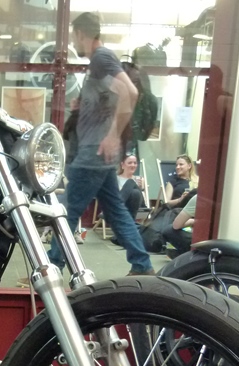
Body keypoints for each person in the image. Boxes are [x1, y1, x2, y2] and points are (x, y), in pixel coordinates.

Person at [46, 12, 155, 277]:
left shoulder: (101, 57)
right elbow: (111, 98)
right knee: (115, 210)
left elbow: (130, 92)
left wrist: (113, 134)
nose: (74, 43)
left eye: (74, 37)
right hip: (99, 153)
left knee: (68, 211)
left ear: (81, 34)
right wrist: (84, 105)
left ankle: (52, 266)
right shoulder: (102, 60)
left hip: (93, 152)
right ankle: (141, 264)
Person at [161, 190, 199, 258]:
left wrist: (194, 221)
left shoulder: (198, 198)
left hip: (202, 242)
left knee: (168, 230)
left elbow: (176, 225)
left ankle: (185, 257)